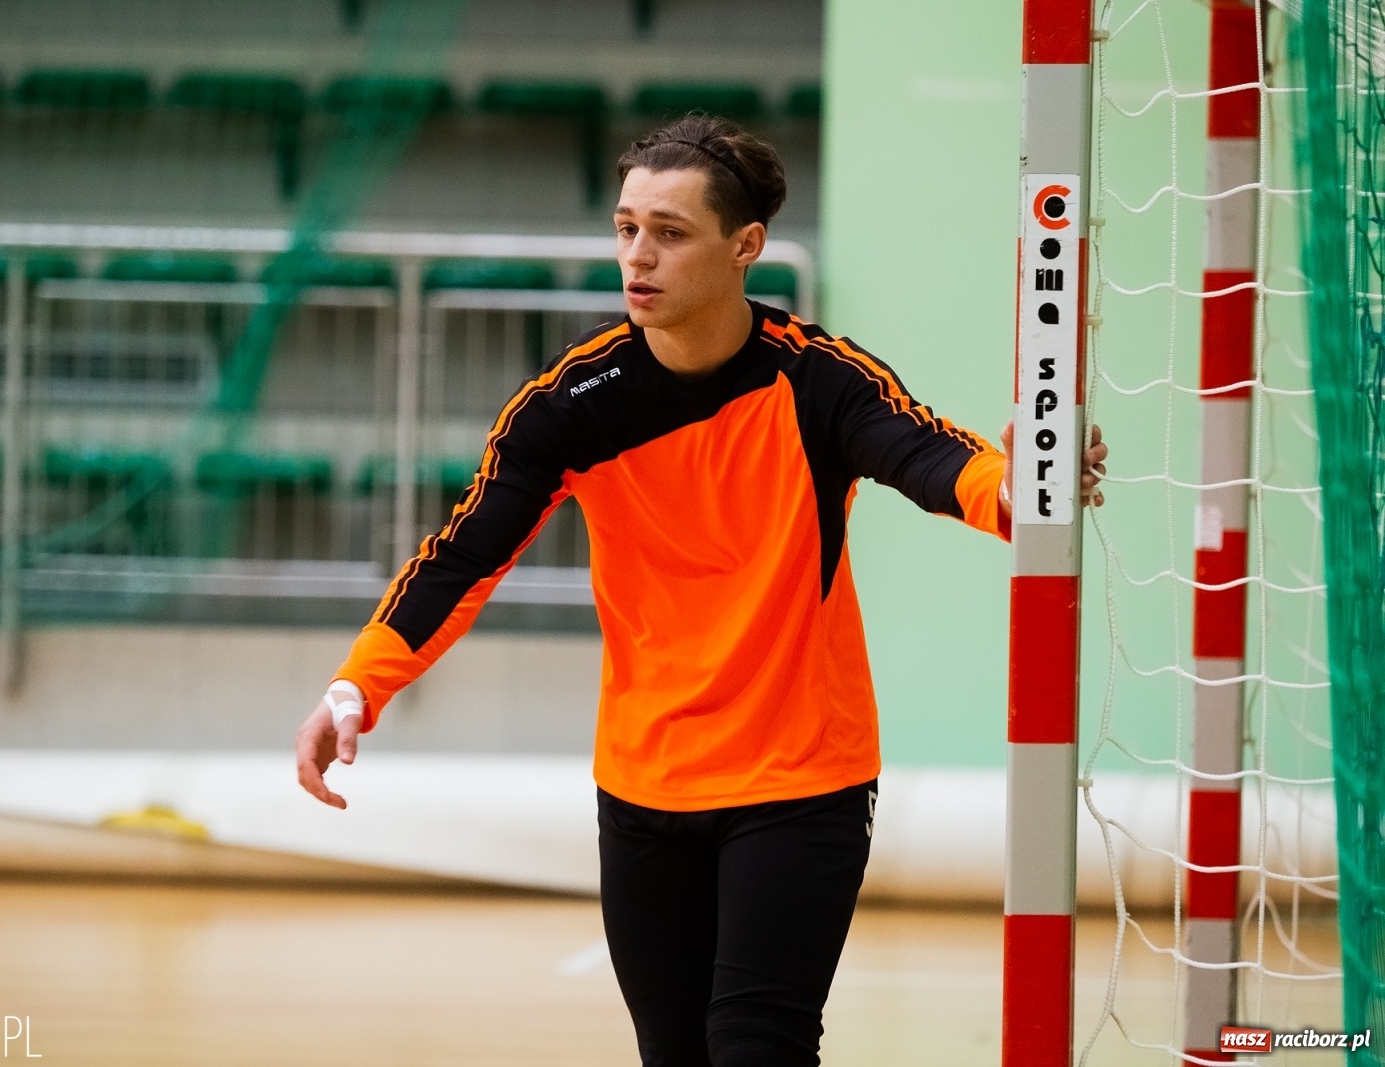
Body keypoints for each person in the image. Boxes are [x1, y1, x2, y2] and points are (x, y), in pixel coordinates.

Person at [295, 114, 1108, 1067]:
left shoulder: (819, 382)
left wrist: (1017, 489)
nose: (638, 256)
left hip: (801, 781)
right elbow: (462, 554)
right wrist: (357, 687)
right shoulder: (568, 406)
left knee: (756, 1046)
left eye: (670, 233)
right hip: (644, 786)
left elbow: (927, 454)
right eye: (626, 227)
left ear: (744, 247)